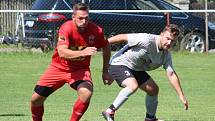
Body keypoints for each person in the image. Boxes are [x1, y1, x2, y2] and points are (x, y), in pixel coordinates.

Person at [30, 3, 112, 121]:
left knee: (86, 93)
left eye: (86, 18)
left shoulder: (96, 30)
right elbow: (62, 52)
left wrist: (105, 71)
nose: (84, 21)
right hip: (58, 68)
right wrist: (83, 52)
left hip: (80, 70)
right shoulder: (66, 28)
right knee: (36, 100)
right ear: (73, 17)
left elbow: (106, 46)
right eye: (80, 18)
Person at [102, 24, 189, 121]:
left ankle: (150, 119)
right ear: (161, 34)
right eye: (167, 38)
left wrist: (181, 96)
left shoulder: (166, 55)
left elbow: (171, 74)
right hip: (119, 63)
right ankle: (109, 111)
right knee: (132, 85)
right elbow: (123, 37)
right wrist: (104, 43)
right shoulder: (146, 40)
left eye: (172, 41)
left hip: (136, 69)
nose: (169, 42)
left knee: (153, 89)